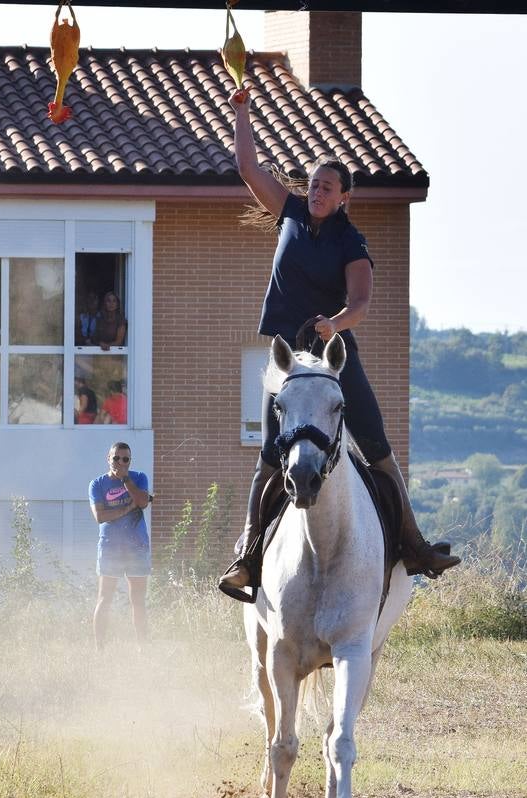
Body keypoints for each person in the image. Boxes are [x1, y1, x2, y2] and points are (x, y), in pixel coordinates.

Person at [217, 88, 460, 602]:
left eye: (326, 187)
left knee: (377, 448)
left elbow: (362, 304)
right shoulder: (288, 212)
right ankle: (248, 554)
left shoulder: (352, 242)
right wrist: (241, 111)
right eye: (312, 185)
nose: (316, 192)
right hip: (286, 360)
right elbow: (245, 166)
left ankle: (414, 546)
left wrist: (335, 324)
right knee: (267, 457)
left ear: (345, 196)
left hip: (331, 357)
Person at [89, 443, 152, 650]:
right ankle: (99, 649)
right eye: (117, 458)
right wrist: (127, 508)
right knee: (105, 599)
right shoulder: (97, 484)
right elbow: (100, 516)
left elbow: (142, 502)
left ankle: (142, 648)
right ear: (108, 458)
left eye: (126, 459)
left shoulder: (139, 477)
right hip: (110, 548)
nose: (121, 463)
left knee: (138, 600)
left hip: (137, 547)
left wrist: (126, 480)